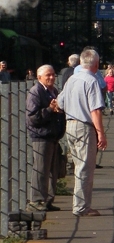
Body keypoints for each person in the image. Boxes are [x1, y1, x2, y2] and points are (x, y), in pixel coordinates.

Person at [57, 48, 107, 217]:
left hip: (69, 124)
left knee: (79, 165)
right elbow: (95, 110)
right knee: (85, 167)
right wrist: (101, 133)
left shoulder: (71, 79)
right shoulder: (91, 81)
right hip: (84, 126)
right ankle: (81, 207)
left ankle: (82, 204)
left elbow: (60, 103)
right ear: (96, 64)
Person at [26, 65, 66, 212]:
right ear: (40, 77)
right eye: (48, 75)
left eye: (53, 75)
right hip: (41, 136)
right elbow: (33, 118)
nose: (51, 77)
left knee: (52, 170)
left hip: (52, 136)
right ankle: (36, 200)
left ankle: (48, 200)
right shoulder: (36, 92)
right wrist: (50, 109)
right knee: (40, 169)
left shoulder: (53, 91)